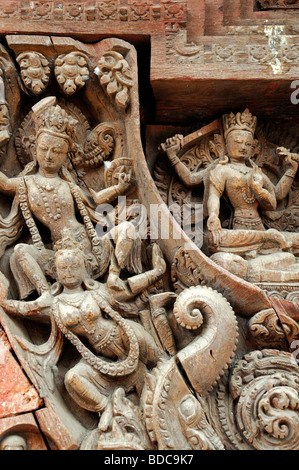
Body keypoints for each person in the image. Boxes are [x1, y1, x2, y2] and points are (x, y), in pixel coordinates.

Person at [1, 241, 166, 430]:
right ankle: (106, 408)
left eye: (74, 266)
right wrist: (4, 302)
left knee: (162, 365)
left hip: (127, 337)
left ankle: (166, 371)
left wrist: (157, 272)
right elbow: (25, 309)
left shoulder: (97, 292)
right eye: (63, 267)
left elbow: (128, 287)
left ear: (85, 269)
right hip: (99, 356)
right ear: (55, 272)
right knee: (72, 378)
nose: (69, 271)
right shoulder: (54, 304)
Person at [0, 96, 138, 299]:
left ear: (66, 155)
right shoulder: (26, 184)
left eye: (56, 151)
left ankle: (113, 278)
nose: (49, 156)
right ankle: (46, 295)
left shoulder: (68, 185)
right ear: (33, 148)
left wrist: (118, 189)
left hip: (90, 246)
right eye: (43, 149)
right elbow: (3, 182)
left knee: (127, 229)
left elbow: (96, 200)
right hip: (58, 252)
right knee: (20, 251)